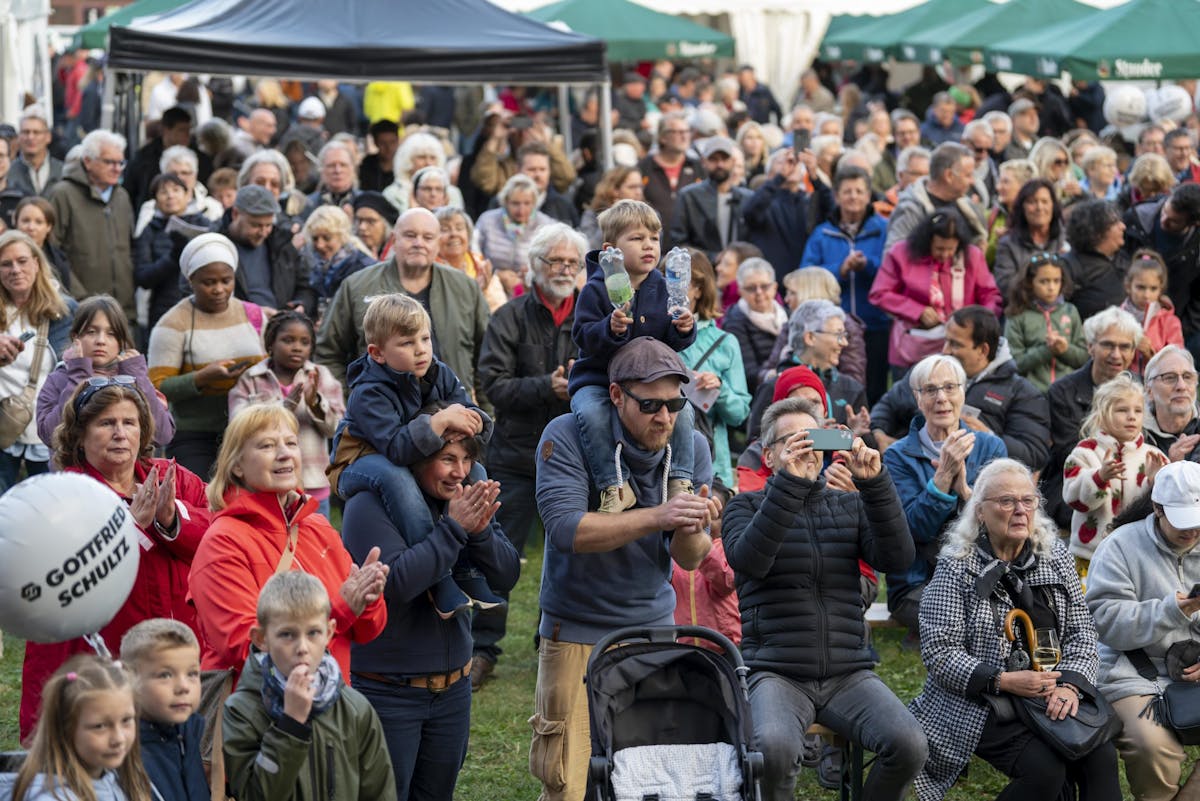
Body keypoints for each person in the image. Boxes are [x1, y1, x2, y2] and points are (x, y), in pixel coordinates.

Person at [531, 336, 717, 801]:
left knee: (645, 778)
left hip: (653, 629)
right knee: (567, 781)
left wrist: (696, 524)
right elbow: (566, 530)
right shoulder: (565, 434)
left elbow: (689, 558)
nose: (664, 417)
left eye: (675, 404)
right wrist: (660, 515)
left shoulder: (690, 443)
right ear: (616, 396)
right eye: (650, 404)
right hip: (576, 628)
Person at [723, 396, 928, 801]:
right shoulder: (744, 507)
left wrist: (876, 485)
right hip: (776, 671)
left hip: (848, 671)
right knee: (774, 752)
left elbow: (897, 557)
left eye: (813, 438)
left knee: (910, 745)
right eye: (793, 441)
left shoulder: (848, 504)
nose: (806, 450)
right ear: (768, 454)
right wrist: (789, 486)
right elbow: (750, 561)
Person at [909, 458, 1121, 801]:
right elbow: (939, 652)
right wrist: (1002, 680)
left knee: (1101, 757)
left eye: (1027, 501)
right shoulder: (956, 566)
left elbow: (1083, 633)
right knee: (1046, 770)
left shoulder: (1055, 556)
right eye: (1007, 501)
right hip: (983, 701)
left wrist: (1069, 686)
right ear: (980, 511)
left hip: (1050, 693)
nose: (1020, 510)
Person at [21, 378, 209, 740]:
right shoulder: (63, 496)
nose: (120, 433)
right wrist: (130, 530)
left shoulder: (174, 478)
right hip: (98, 667)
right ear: (79, 435)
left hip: (175, 659)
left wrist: (171, 521)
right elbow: (64, 579)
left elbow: (215, 539)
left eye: (129, 422)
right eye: (106, 423)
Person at [342, 426, 519, 800]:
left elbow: (507, 573)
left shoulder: (463, 502)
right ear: (418, 460)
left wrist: (481, 534)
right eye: (447, 460)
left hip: (454, 690)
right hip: (389, 692)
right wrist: (454, 529)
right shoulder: (368, 506)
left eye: (467, 459)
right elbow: (400, 583)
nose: (460, 472)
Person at [188, 403, 388, 682]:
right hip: (261, 718)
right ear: (237, 467)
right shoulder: (223, 541)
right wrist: (340, 611)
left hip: (329, 712)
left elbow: (367, 631)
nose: (284, 454)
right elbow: (244, 649)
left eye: (291, 443)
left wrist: (367, 599)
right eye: (267, 446)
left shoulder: (318, 526)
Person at [327, 293, 497, 618]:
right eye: (406, 342)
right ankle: (439, 576)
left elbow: (471, 412)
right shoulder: (368, 391)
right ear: (377, 353)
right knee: (395, 476)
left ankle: (469, 566)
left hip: (412, 454)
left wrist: (473, 423)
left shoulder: (438, 372)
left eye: (424, 338)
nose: (420, 349)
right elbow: (395, 448)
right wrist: (440, 421)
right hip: (360, 462)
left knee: (475, 473)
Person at [473, 223, 582, 687]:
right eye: (555, 261)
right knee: (498, 555)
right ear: (535, 266)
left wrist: (578, 382)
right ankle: (482, 648)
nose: (563, 270)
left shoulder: (591, 318)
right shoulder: (511, 316)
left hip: (573, 456)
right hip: (515, 453)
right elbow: (491, 384)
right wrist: (547, 387)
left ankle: (555, 644)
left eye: (572, 263)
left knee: (570, 553)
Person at [222, 572, 397, 801]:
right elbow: (255, 795)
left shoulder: (355, 709)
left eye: (313, 633)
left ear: (329, 632)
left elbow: (379, 792)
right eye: (287, 634)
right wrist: (290, 726)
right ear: (261, 639)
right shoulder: (242, 710)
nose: (302, 647)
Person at [569, 200, 697, 512]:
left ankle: (680, 479)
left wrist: (683, 328)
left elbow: (671, 344)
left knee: (684, 413)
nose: (648, 246)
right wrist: (609, 329)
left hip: (653, 386)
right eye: (637, 239)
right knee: (591, 414)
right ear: (610, 249)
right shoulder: (596, 289)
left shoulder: (664, 287)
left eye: (654, 238)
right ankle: (615, 484)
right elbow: (582, 335)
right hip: (599, 379)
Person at [1087, 460, 1200, 801]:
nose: (1192, 532)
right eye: (1183, 523)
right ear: (1156, 508)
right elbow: (1105, 622)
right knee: (1151, 745)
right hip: (1132, 672)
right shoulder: (1120, 546)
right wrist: (1172, 610)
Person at [882, 353, 1007, 636]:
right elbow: (913, 529)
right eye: (930, 390)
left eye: (950, 387)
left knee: (999, 613)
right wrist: (941, 480)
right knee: (975, 617)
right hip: (918, 582)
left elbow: (1002, 524)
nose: (941, 398)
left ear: (963, 392)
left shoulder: (990, 447)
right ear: (917, 399)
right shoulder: (897, 457)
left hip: (981, 574)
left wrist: (965, 490)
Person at [316, 208, 490, 396]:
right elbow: (328, 353)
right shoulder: (357, 286)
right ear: (393, 240)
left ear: (438, 243)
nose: (419, 243)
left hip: (453, 411)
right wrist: (351, 402)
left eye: (428, 237)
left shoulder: (465, 288)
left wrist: (485, 416)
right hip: (380, 416)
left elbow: (487, 355)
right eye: (410, 235)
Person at [147, 232, 266, 478]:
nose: (219, 289)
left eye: (226, 280)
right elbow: (156, 388)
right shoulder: (172, 324)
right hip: (195, 436)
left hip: (249, 430)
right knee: (200, 504)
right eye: (209, 282)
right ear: (191, 280)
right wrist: (201, 378)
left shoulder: (252, 315)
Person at [229, 310, 343, 518]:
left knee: (313, 543)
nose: (297, 347)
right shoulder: (251, 379)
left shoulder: (320, 376)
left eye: (304, 342)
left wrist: (315, 403)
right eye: (288, 340)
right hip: (264, 484)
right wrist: (284, 407)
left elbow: (338, 428)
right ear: (270, 343)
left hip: (312, 483)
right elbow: (238, 426)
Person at [1044, 306, 1143, 529]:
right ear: (1090, 347)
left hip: (1132, 478)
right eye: (1108, 344)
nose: (1116, 354)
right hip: (1076, 480)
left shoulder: (1143, 390)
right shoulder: (1062, 391)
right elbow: (1067, 453)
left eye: (1124, 346)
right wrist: (1105, 473)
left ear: (1133, 351)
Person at [871, 209, 1001, 375]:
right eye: (939, 248)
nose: (945, 254)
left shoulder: (972, 256)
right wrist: (917, 311)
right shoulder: (902, 253)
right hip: (912, 346)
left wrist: (979, 324)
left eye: (951, 249)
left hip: (961, 347)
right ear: (927, 241)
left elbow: (990, 295)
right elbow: (879, 293)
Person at [37, 294, 174, 449]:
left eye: (111, 334)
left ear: (121, 342)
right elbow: (50, 436)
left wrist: (139, 378)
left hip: (126, 471)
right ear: (76, 337)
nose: (101, 340)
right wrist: (78, 376)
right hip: (76, 472)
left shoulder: (134, 377)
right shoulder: (60, 378)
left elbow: (163, 435)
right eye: (91, 331)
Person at [801, 165, 889, 401]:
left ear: (868, 195)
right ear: (837, 196)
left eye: (859, 191)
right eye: (847, 191)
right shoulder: (822, 233)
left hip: (876, 323)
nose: (854, 197)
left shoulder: (883, 229)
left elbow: (893, 270)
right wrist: (840, 269)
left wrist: (867, 265)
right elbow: (806, 275)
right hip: (834, 327)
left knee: (875, 385)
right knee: (841, 388)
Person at [13, 655, 154, 801]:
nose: (118, 738)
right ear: (64, 728)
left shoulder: (118, 781)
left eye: (126, 720)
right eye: (100, 726)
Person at [1064, 372, 1167, 570]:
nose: (1131, 416)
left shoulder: (1154, 456)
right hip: (1090, 554)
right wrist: (1099, 478)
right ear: (1102, 414)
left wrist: (1154, 482)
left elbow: (1165, 509)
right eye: (1122, 410)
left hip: (1139, 553)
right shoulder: (1084, 452)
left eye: (1138, 411)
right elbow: (1074, 499)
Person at [0, 230, 74, 491]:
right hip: (3, 429)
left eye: (22, 261)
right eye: (6, 264)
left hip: (48, 431)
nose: (15, 270)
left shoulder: (64, 311)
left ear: (36, 262)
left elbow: (77, 371)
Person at [679, 253, 750, 488]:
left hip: (711, 465)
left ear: (698, 289)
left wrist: (719, 388)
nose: (669, 287)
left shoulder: (725, 342)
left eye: (678, 279)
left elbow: (739, 414)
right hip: (657, 461)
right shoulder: (651, 334)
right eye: (664, 279)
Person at [49, 129, 136, 319]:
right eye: (109, 162)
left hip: (123, 309)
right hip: (81, 309)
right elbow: (52, 251)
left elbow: (130, 249)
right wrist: (79, 296)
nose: (117, 168)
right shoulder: (63, 194)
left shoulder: (122, 196)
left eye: (120, 162)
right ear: (88, 161)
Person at [119, 619, 207, 801]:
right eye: (165, 675)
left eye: (192, 673)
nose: (183, 687)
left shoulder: (189, 732)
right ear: (129, 677)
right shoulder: (120, 752)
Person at [1123, 183, 1200, 359]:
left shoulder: (1196, 245)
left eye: (1174, 221)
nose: (1164, 220)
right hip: (1131, 306)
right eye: (1165, 211)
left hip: (1175, 318)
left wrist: (1185, 327)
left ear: (1193, 224)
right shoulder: (1137, 219)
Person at [219, 185, 315, 318]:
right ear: (235, 214)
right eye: (255, 225)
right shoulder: (215, 248)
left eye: (268, 225)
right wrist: (252, 314)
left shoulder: (281, 243)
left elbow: (305, 286)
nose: (263, 232)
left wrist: (301, 305)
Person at [134, 172, 215, 330]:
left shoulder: (204, 223)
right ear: (155, 200)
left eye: (176, 190)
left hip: (203, 304)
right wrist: (173, 257)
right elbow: (143, 277)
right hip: (164, 309)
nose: (170, 196)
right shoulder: (149, 230)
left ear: (187, 195)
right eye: (163, 192)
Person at [1004, 253, 1087, 393]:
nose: (1051, 287)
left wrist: (1065, 350)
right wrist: (1046, 351)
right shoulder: (1018, 315)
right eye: (1044, 281)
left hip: (1067, 391)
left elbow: (1084, 358)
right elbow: (1013, 364)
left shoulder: (1070, 311)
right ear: (1030, 283)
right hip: (1029, 393)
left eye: (1056, 281)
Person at [884, 142, 986, 253]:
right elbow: (892, 258)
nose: (972, 182)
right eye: (968, 175)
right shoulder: (911, 210)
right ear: (949, 176)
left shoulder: (968, 206)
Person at [670, 136, 752, 260]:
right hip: (702, 271)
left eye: (725, 159)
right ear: (703, 161)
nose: (720, 164)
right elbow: (678, 242)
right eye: (713, 159)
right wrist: (713, 257)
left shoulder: (747, 198)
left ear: (733, 161)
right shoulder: (689, 196)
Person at [721, 256, 787, 395]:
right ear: (740, 292)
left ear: (774, 287)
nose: (759, 292)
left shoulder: (788, 315)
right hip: (758, 394)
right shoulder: (734, 322)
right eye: (751, 288)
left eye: (764, 286)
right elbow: (747, 372)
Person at [993, 178, 1068, 299]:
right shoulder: (1008, 244)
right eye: (1032, 202)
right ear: (1022, 208)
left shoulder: (1065, 240)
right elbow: (1005, 286)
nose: (1039, 207)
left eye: (1044, 201)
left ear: (1053, 206)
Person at [637, 112, 703, 247]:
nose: (684, 136)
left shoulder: (697, 167)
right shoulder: (644, 168)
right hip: (653, 245)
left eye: (686, 131)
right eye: (676, 132)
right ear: (662, 137)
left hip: (689, 248)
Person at [474, 173, 554, 281]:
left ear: (534, 202)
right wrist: (495, 274)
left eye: (527, 203)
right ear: (506, 201)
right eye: (515, 203)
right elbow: (474, 253)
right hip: (491, 281)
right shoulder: (487, 220)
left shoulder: (545, 225)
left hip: (531, 285)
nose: (521, 210)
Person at [300, 204, 376, 312]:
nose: (319, 244)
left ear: (342, 236)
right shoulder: (317, 265)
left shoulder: (363, 268)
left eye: (327, 238)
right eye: (315, 238)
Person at [1063, 199, 1129, 322]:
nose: (1123, 227)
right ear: (1097, 231)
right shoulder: (1070, 265)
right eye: (1115, 223)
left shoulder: (1125, 259)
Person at [1122, 249, 1184, 373]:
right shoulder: (1118, 318)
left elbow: (1177, 361)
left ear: (1160, 290)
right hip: (1124, 384)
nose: (1146, 295)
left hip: (1158, 385)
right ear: (1128, 287)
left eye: (1153, 288)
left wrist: (1150, 353)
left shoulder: (1170, 322)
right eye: (1140, 287)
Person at [434, 206, 505, 312]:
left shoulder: (481, 268)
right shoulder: (428, 270)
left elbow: (498, 312)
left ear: (469, 234)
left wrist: (482, 292)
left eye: (459, 228)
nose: (454, 234)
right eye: (444, 229)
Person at [1142, 345, 1200, 463]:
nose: (1181, 386)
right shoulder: (1133, 432)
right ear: (1149, 391)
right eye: (1169, 378)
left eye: (1187, 377)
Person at [986, 159, 1037, 267]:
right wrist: (997, 242)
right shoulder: (991, 216)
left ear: (1024, 186)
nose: (998, 187)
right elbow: (983, 263)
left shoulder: (1039, 219)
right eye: (999, 181)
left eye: (1005, 182)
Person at [580, 165, 644, 250]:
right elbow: (590, 247)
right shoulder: (591, 215)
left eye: (640, 187)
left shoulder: (649, 215)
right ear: (614, 190)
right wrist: (612, 216)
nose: (639, 192)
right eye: (632, 187)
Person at [14, 196, 71, 288]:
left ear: (49, 226)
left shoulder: (59, 261)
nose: (31, 227)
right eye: (25, 221)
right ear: (16, 223)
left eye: (39, 222)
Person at [7, 104, 63, 197]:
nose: (30, 137)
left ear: (48, 137)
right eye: (25, 132)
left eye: (36, 132)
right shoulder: (9, 173)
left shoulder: (62, 171)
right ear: (18, 137)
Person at [301, 141, 360, 221]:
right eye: (331, 165)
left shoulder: (366, 202)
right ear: (321, 170)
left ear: (353, 169)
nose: (338, 170)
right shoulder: (307, 204)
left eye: (343, 165)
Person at [352, 190, 398, 260]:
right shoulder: (347, 254)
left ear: (386, 225)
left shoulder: (397, 255)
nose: (362, 227)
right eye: (359, 220)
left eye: (371, 221)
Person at [358, 119, 400, 192]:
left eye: (392, 142)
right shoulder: (367, 164)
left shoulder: (405, 163)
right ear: (375, 142)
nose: (388, 148)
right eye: (383, 143)